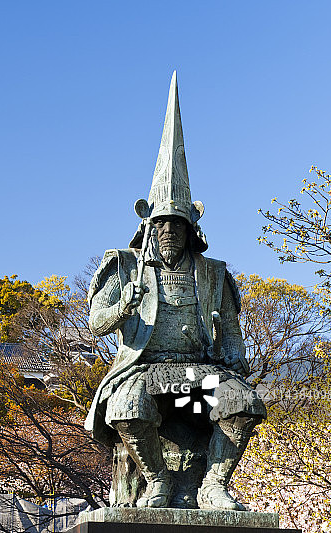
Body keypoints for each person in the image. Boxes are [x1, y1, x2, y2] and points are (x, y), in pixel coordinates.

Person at [84, 72, 265, 510]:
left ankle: (214, 483)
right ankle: (158, 479)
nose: (169, 233)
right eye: (161, 224)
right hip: (142, 371)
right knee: (126, 406)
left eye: (177, 225)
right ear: (148, 227)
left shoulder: (213, 273)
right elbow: (96, 324)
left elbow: (234, 333)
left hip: (193, 377)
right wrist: (122, 308)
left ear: (191, 230)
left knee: (242, 401)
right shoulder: (125, 266)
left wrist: (235, 358)